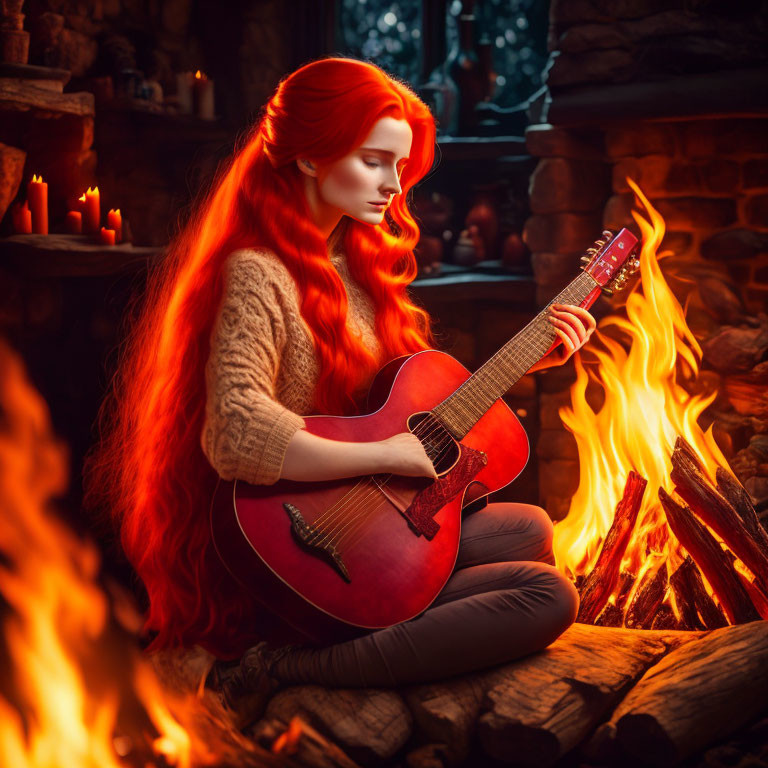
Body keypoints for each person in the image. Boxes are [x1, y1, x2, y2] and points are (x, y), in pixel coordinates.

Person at [86, 57, 595, 703]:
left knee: (530, 530)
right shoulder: (256, 271)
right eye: (374, 160)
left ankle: (384, 622)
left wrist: (532, 361)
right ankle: (281, 670)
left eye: (400, 167)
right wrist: (385, 454)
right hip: (292, 539)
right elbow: (236, 435)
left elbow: (407, 409)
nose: (392, 184)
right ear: (309, 157)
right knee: (545, 594)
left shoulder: (354, 267)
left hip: (362, 515)